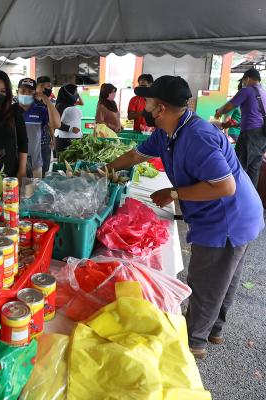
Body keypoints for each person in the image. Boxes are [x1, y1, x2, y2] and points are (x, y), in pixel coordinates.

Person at [106, 75, 264, 359]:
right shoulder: (168, 132)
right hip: (238, 213)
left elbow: (225, 187)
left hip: (227, 218)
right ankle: (213, 331)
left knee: (207, 282)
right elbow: (134, 156)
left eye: (148, 101)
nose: (145, 106)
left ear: (161, 108)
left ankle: (193, 344)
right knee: (224, 277)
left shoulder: (197, 136)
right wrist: (104, 169)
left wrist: (174, 193)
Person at [215, 68, 266, 187]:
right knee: (254, 169)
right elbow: (257, 116)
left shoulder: (247, 91)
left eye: (243, 81)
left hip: (250, 136)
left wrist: (218, 112)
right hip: (263, 136)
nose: (243, 83)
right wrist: (237, 124)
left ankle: (235, 193)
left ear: (247, 79)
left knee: (239, 167)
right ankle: (251, 195)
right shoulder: (264, 93)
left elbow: (227, 107)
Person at [16, 78, 60, 178]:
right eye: (23, 91)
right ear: (17, 92)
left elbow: (56, 124)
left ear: (35, 93)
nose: (26, 94)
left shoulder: (40, 110)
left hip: (35, 165)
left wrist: (46, 100)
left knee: (35, 188)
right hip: (14, 163)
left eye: (30, 92)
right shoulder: (11, 110)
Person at [36, 76, 58, 176]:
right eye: (48, 87)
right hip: (33, 145)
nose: (50, 89)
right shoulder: (30, 103)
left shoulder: (46, 103)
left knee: (44, 171)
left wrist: (53, 138)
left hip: (45, 144)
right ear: (40, 86)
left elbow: (51, 123)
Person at [54, 84, 83, 154]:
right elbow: (55, 123)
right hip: (63, 140)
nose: (76, 94)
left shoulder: (71, 104)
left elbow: (82, 103)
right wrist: (70, 129)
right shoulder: (60, 106)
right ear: (68, 93)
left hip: (76, 139)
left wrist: (77, 95)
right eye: (75, 92)